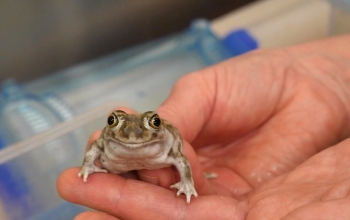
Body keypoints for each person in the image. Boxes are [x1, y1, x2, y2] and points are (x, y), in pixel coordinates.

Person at [57, 34, 350, 219]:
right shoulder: (108, 143)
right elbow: (96, 147)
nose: (133, 133)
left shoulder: (165, 145)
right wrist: (88, 166)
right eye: (114, 123)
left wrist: (186, 182)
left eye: (153, 122)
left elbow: (181, 159)